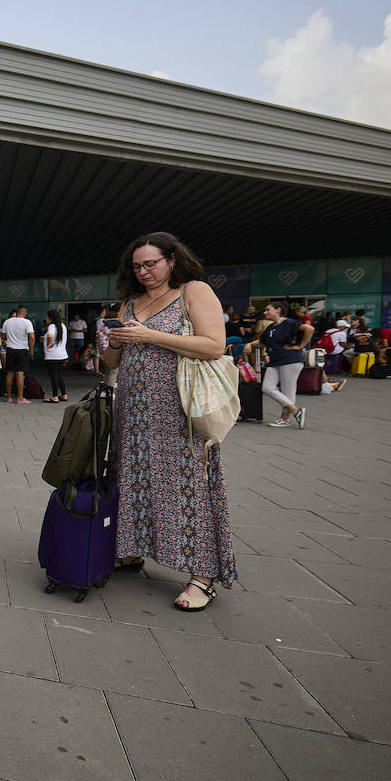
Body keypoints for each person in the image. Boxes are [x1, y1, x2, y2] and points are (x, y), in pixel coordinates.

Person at [103, 231, 235, 612]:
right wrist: (114, 341)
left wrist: (149, 334)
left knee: (188, 485)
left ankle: (203, 576)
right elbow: (111, 365)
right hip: (133, 410)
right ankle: (130, 552)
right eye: (137, 266)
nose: (144, 271)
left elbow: (213, 344)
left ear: (172, 260)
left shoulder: (193, 291)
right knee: (132, 479)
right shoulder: (130, 302)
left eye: (151, 264)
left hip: (178, 410)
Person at [243, 301, 310, 428]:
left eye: (268, 310)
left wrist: (300, 346)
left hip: (290, 359)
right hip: (275, 361)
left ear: (278, 310)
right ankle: (296, 411)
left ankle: (285, 419)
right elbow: (262, 340)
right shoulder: (271, 327)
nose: (265, 312)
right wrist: (249, 344)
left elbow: (309, 329)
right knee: (267, 387)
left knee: (288, 391)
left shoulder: (289, 322)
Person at [1, 306, 36, 403]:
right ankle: (20, 398)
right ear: (25, 313)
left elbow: (3, 336)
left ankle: (8, 396)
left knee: (9, 373)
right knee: (20, 374)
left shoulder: (7, 322)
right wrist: (31, 350)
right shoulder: (27, 322)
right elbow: (32, 337)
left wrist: (7, 340)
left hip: (10, 349)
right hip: (22, 350)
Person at [43, 309, 70, 402]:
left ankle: (55, 396)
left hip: (52, 355)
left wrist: (49, 344)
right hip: (62, 355)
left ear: (50, 318)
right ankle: (64, 394)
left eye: (46, 317)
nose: (45, 319)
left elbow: (50, 336)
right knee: (59, 375)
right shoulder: (62, 326)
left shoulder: (51, 326)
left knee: (53, 375)